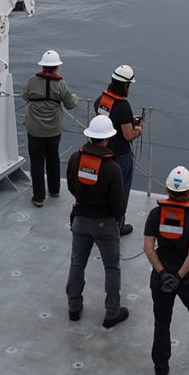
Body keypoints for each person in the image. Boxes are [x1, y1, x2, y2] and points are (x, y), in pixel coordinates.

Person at [143, 166, 189, 375]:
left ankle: (160, 368)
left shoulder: (156, 214)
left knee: (162, 322)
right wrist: (178, 277)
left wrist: (164, 274)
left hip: (161, 277)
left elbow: (148, 247)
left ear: (167, 189)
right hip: (187, 279)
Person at [65, 115, 129, 329]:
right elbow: (119, 204)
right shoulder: (112, 168)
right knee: (112, 268)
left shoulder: (75, 158)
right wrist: (115, 221)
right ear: (107, 140)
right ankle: (112, 313)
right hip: (105, 223)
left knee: (77, 263)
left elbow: (71, 187)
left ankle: (74, 308)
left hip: (80, 219)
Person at [22, 49, 78, 207]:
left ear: (42, 66)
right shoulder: (61, 84)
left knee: (36, 161)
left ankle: (39, 197)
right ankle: (54, 190)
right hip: (54, 130)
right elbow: (70, 104)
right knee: (53, 159)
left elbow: (25, 96)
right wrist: (75, 97)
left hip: (34, 130)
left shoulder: (32, 81)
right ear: (56, 67)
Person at [94, 65, 142, 236]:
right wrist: (139, 129)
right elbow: (128, 135)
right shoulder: (123, 106)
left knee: (103, 191)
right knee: (121, 193)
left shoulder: (100, 100)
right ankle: (118, 226)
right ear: (126, 85)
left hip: (101, 154)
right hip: (120, 156)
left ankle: (100, 222)